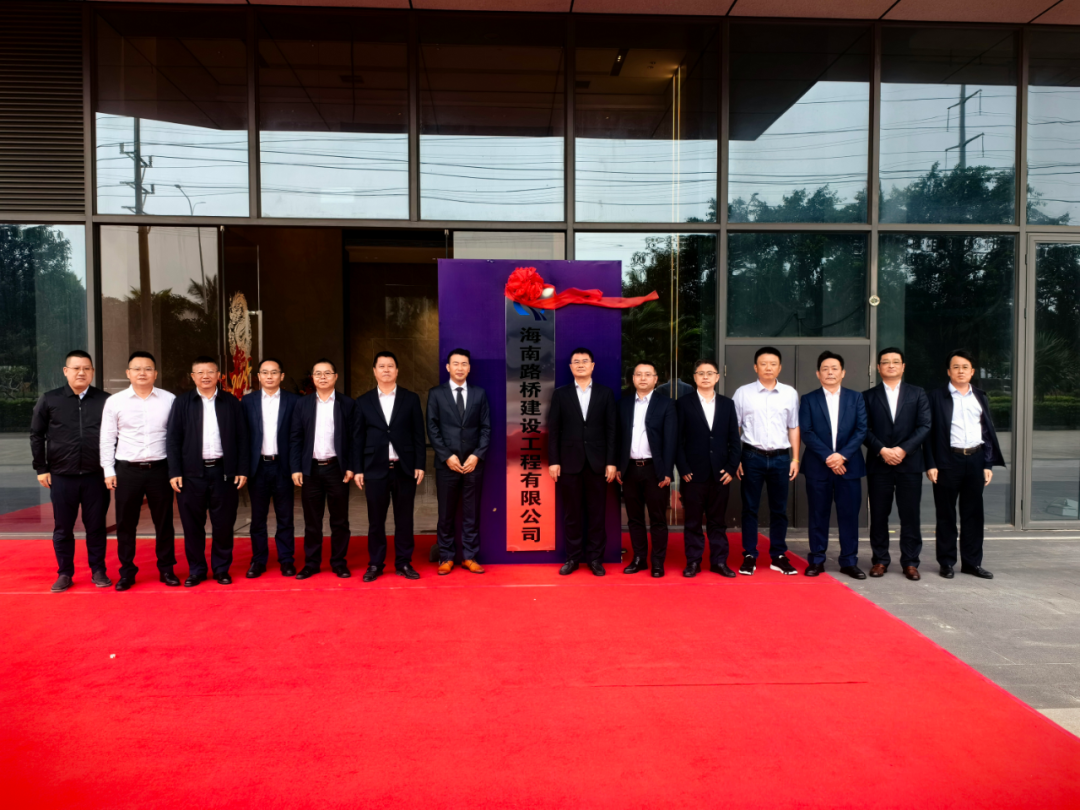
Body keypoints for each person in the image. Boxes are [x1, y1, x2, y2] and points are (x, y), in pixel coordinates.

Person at [30, 350, 112, 592]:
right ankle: (65, 573)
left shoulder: (105, 400)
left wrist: (111, 469)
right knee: (63, 527)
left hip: (96, 476)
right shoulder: (50, 399)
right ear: (66, 371)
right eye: (76, 368)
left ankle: (98, 570)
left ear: (93, 372)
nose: (81, 372)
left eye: (86, 368)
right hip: (62, 475)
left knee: (96, 526)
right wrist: (41, 468)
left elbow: (116, 436)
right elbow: (36, 435)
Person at [166, 356, 249, 586]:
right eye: (200, 372)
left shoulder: (231, 402)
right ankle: (197, 570)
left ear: (219, 376)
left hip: (224, 472)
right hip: (191, 474)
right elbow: (172, 439)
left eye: (210, 372)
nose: (205, 376)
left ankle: (221, 569)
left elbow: (242, 437)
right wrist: (175, 471)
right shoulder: (182, 403)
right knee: (193, 526)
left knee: (223, 524)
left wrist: (242, 469)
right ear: (192, 377)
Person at [99, 351, 178, 591]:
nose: (142, 373)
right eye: (137, 368)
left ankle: (167, 569)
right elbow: (107, 437)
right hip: (127, 471)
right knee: (126, 524)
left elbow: (176, 437)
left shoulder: (169, 400)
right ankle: (127, 572)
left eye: (147, 368)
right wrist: (108, 470)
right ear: (128, 373)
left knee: (164, 523)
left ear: (155, 373)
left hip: (160, 469)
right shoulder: (115, 401)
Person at [925, 350, 1005, 580]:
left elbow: (987, 432)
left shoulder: (980, 396)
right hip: (947, 461)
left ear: (972, 371)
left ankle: (972, 563)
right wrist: (931, 463)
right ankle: (947, 562)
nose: (961, 371)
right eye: (956, 367)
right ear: (948, 371)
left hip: (976, 459)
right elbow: (928, 434)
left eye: (965, 367)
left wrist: (988, 464)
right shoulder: (935, 397)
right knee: (946, 514)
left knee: (973, 514)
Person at [354, 351, 426, 582]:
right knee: (376, 521)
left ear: (397, 370)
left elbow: (418, 433)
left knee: (404, 519)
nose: (386, 370)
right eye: (382, 366)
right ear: (374, 371)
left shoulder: (410, 398)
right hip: (374, 469)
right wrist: (358, 469)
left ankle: (404, 562)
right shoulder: (363, 401)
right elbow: (357, 438)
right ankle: (375, 564)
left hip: (404, 468)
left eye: (390, 366)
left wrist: (420, 464)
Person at [863, 347, 931, 581]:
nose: (890, 365)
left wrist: (902, 450)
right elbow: (863, 429)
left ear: (903, 366)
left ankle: (910, 562)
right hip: (879, 463)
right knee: (879, 515)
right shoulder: (868, 396)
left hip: (909, 463)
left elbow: (924, 426)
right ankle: (880, 560)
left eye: (895, 362)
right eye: (885, 362)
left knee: (910, 515)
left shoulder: (917, 393)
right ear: (878, 367)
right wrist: (882, 450)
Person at [799, 351, 868, 580]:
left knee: (849, 516)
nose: (830, 372)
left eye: (834, 368)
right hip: (819, 467)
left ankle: (849, 561)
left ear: (843, 372)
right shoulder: (809, 399)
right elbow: (807, 432)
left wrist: (842, 456)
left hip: (849, 467)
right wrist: (830, 457)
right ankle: (817, 560)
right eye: (825, 369)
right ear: (818, 374)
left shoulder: (856, 398)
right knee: (818, 515)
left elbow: (861, 430)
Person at [548, 347, 617, 577]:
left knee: (597, 514)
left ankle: (595, 559)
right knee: (572, 514)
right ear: (570, 367)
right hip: (569, 463)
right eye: (576, 361)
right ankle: (573, 558)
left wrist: (611, 462)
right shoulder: (561, 394)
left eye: (584, 361)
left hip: (598, 463)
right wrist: (554, 461)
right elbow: (554, 430)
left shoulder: (605, 393)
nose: (580, 365)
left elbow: (612, 430)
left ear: (592, 365)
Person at [732, 347, 801, 576]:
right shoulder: (743, 393)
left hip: (781, 458)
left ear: (779, 368)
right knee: (749, 508)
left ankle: (778, 556)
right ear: (755, 367)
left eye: (773, 364)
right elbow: (734, 428)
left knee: (779, 509)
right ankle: (749, 555)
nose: (768, 368)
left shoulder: (789, 393)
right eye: (763, 363)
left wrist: (795, 458)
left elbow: (793, 426)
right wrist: (735, 459)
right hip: (751, 457)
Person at [426, 348, 491, 575]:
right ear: (448, 367)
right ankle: (446, 557)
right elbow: (432, 428)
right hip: (447, 465)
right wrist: (446, 456)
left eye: (464, 364)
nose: (460, 368)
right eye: (456, 364)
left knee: (471, 513)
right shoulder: (436, 394)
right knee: (446, 514)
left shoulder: (479, 394)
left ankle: (469, 556)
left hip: (473, 464)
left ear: (469, 368)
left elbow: (486, 427)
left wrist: (477, 455)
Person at [289, 359, 355, 580]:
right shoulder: (302, 404)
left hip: (337, 469)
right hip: (310, 470)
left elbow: (355, 438)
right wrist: (296, 467)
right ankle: (312, 563)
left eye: (327, 373)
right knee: (312, 521)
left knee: (340, 521)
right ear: (313, 378)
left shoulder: (347, 404)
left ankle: (339, 562)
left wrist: (351, 466)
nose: (323, 377)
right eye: (318, 373)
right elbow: (296, 438)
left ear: (336, 377)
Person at [675, 359, 741, 578]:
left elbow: (734, 440)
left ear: (717, 377)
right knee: (693, 522)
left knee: (718, 522)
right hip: (693, 474)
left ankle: (719, 562)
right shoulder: (683, 403)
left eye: (709, 373)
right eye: (701, 373)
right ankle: (693, 562)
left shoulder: (727, 404)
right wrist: (683, 468)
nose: (705, 377)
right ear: (694, 377)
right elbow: (678, 440)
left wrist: (731, 468)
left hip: (721, 474)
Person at [616, 362, 676, 577]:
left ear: (656, 379)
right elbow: (616, 437)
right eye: (639, 374)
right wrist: (618, 466)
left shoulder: (667, 404)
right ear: (632, 378)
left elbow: (671, 440)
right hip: (630, 469)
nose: (643, 378)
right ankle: (639, 558)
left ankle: (658, 562)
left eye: (648, 375)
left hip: (654, 470)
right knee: (634, 518)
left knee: (658, 518)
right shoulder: (623, 404)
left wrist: (667, 471)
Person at [242, 358, 300, 578]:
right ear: (258, 376)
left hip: (283, 467)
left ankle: (286, 560)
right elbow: (243, 436)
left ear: (281, 376)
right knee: (258, 518)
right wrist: (243, 469)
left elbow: (298, 437)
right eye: (265, 372)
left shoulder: (293, 401)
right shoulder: (248, 401)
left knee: (285, 517)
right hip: (258, 467)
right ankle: (258, 560)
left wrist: (296, 467)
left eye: (274, 372)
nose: (269, 376)